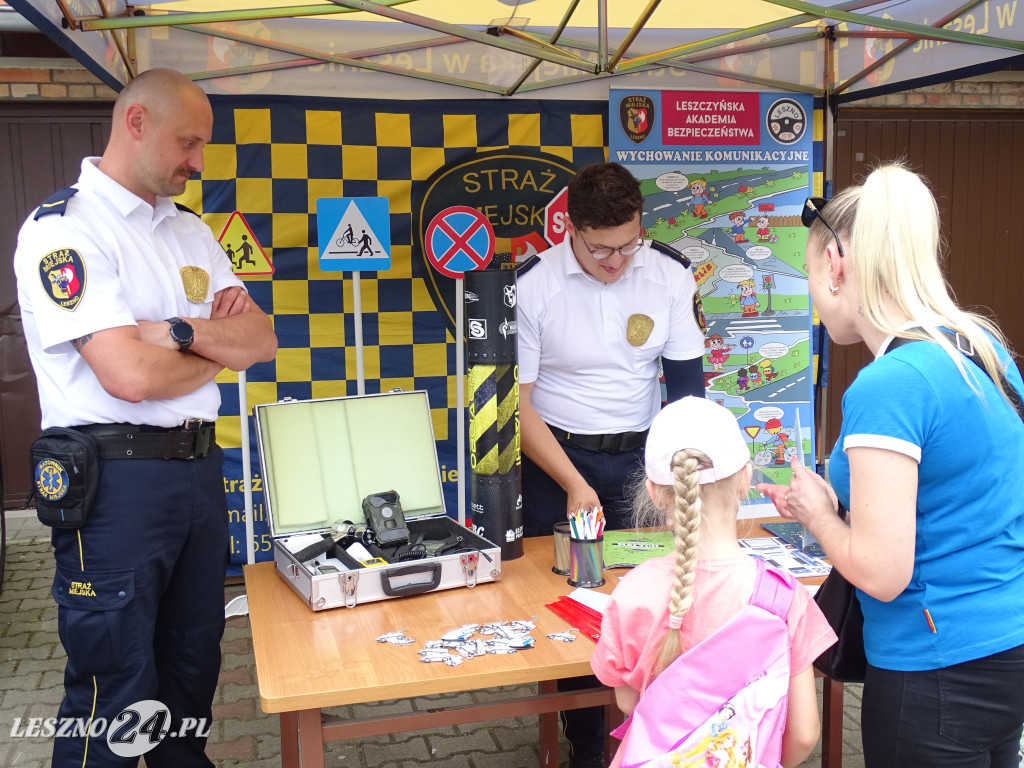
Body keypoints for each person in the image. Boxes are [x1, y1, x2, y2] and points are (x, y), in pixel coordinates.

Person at [14, 68, 278, 767]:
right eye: (188, 142)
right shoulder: (63, 230)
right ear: (135, 122)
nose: (198, 162)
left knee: (191, 669)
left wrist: (177, 332)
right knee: (113, 688)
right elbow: (128, 376)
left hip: (195, 473)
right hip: (113, 484)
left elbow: (261, 340)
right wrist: (209, 342)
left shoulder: (190, 230)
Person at [757, 164, 1024, 767]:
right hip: (1007, 643)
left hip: (936, 665)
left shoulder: (890, 384)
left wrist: (820, 514)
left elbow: (881, 573)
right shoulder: (980, 345)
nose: (812, 294)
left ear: (835, 264)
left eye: (807, 274)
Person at [517, 162, 707, 768]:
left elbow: (686, 389)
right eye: (601, 248)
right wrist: (572, 483)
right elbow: (516, 408)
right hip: (558, 461)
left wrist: (680, 476)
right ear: (571, 228)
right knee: (574, 607)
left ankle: (651, 733)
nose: (616, 260)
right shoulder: (534, 285)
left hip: (643, 460)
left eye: (628, 244)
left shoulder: (669, 274)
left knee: (654, 598)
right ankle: (586, 748)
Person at [591, 397, 836, 768]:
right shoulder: (784, 596)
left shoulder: (632, 591)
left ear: (655, 491)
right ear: (745, 479)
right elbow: (803, 733)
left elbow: (628, 702)